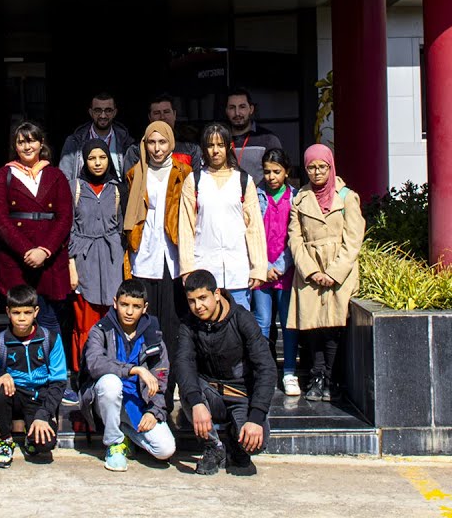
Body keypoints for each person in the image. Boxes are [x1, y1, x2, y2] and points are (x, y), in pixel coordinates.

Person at [0, 121, 75, 400]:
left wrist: (45, 251)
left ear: (41, 144)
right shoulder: (3, 175)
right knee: (20, 320)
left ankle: (57, 381)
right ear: (15, 146)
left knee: (51, 323)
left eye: (32, 141)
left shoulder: (56, 176)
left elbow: (65, 218)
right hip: (17, 261)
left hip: (49, 261)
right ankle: (21, 380)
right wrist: (27, 250)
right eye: (21, 141)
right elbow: (1, 220)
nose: (27, 146)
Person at [121, 120, 193, 410]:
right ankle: (148, 383)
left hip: (173, 256)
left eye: (162, 142)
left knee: (173, 323)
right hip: (144, 254)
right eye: (151, 142)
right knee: (147, 324)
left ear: (171, 143)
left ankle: (172, 383)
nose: (157, 148)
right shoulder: (134, 174)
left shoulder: (184, 173)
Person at [175, 270, 276, 476]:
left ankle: (234, 441)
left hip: (240, 394)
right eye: (192, 301)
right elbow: (183, 363)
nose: (198, 306)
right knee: (188, 390)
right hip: (210, 392)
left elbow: (266, 367)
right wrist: (196, 402)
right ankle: (213, 447)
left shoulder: (242, 319)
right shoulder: (188, 323)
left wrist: (256, 416)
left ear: (217, 294)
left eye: (203, 298)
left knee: (256, 443)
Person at [287, 144, 365, 403]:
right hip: (310, 271)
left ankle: (330, 378)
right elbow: (295, 239)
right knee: (312, 328)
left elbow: (353, 240)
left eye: (322, 167)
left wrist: (333, 273)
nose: (317, 172)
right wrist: (311, 271)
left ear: (331, 167)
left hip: (338, 272)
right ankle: (316, 375)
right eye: (311, 167)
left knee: (332, 326)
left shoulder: (347, 197)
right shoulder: (300, 198)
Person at [79, 280, 176, 471]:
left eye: (136, 307)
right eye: (124, 305)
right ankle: (114, 444)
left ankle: (125, 434)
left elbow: (161, 378)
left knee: (165, 449)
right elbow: (95, 363)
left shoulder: (153, 336)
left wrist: (154, 411)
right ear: (115, 302)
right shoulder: (101, 330)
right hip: (105, 401)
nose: (129, 312)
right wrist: (135, 369)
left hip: (138, 402)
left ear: (145, 308)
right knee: (110, 383)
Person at [0, 284, 68, 468]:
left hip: (39, 398)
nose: (22, 318)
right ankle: (5, 440)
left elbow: (59, 382)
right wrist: (0, 375)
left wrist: (43, 414)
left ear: (36, 311)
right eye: (17, 313)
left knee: (44, 445)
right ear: (8, 312)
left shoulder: (51, 339)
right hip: (13, 396)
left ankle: (30, 431)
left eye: (27, 312)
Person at [178, 123, 268, 311]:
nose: (215, 151)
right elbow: (186, 228)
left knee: (239, 324)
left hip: (238, 269)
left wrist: (258, 266)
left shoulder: (243, 180)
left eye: (220, 145)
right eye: (210, 146)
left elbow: (254, 228)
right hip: (204, 266)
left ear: (228, 147)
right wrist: (186, 267)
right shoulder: (194, 181)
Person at [67, 138, 125, 374]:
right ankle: (83, 373)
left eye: (102, 157)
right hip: (84, 260)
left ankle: (112, 370)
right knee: (85, 322)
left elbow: (122, 228)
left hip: (112, 261)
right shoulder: (75, 187)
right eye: (92, 158)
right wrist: (71, 267)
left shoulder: (117, 189)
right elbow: (69, 229)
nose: (98, 163)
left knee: (113, 319)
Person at [252, 147, 300, 396]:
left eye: (277, 172)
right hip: (261, 271)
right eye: (267, 171)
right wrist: (262, 266)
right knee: (262, 322)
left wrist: (279, 267)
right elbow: (249, 232)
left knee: (288, 322)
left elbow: (295, 238)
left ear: (286, 172)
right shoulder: (255, 195)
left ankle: (289, 370)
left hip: (286, 271)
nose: (271, 177)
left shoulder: (295, 198)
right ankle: (265, 370)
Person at [58, 92, 133, 185]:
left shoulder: (126, 142)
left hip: (117, 196)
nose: (103, 115)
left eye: (108, 110)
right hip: (83, 197)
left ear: (115, 113)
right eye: (98, 110)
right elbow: (64, 179)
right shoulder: (75, 141)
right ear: (91, 112)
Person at [122, 93, 202, 173]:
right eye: (157, 113)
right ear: (150, 117)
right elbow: (129, 182)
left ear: (174, 114)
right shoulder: (136, 151)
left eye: (166, 112)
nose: (162, 117)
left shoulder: (191, 149)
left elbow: (196, 182)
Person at [223, 87, 283, 181]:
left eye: (242, 107)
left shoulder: (268, 139)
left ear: (251, 109)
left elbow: (278, 175)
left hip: (258, 195)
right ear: (226, 111)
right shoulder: (219, 140)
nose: (237, 113)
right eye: (232, 108)